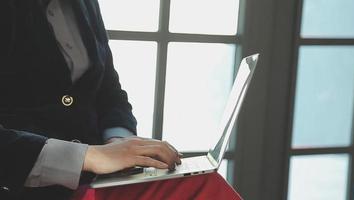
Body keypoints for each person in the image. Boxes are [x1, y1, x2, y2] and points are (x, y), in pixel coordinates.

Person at [1, 0, 242, 199]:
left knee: (204, 185)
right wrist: (89, 157)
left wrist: (120, 143)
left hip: (94, 183)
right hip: (21, 188)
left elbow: (108, 91)